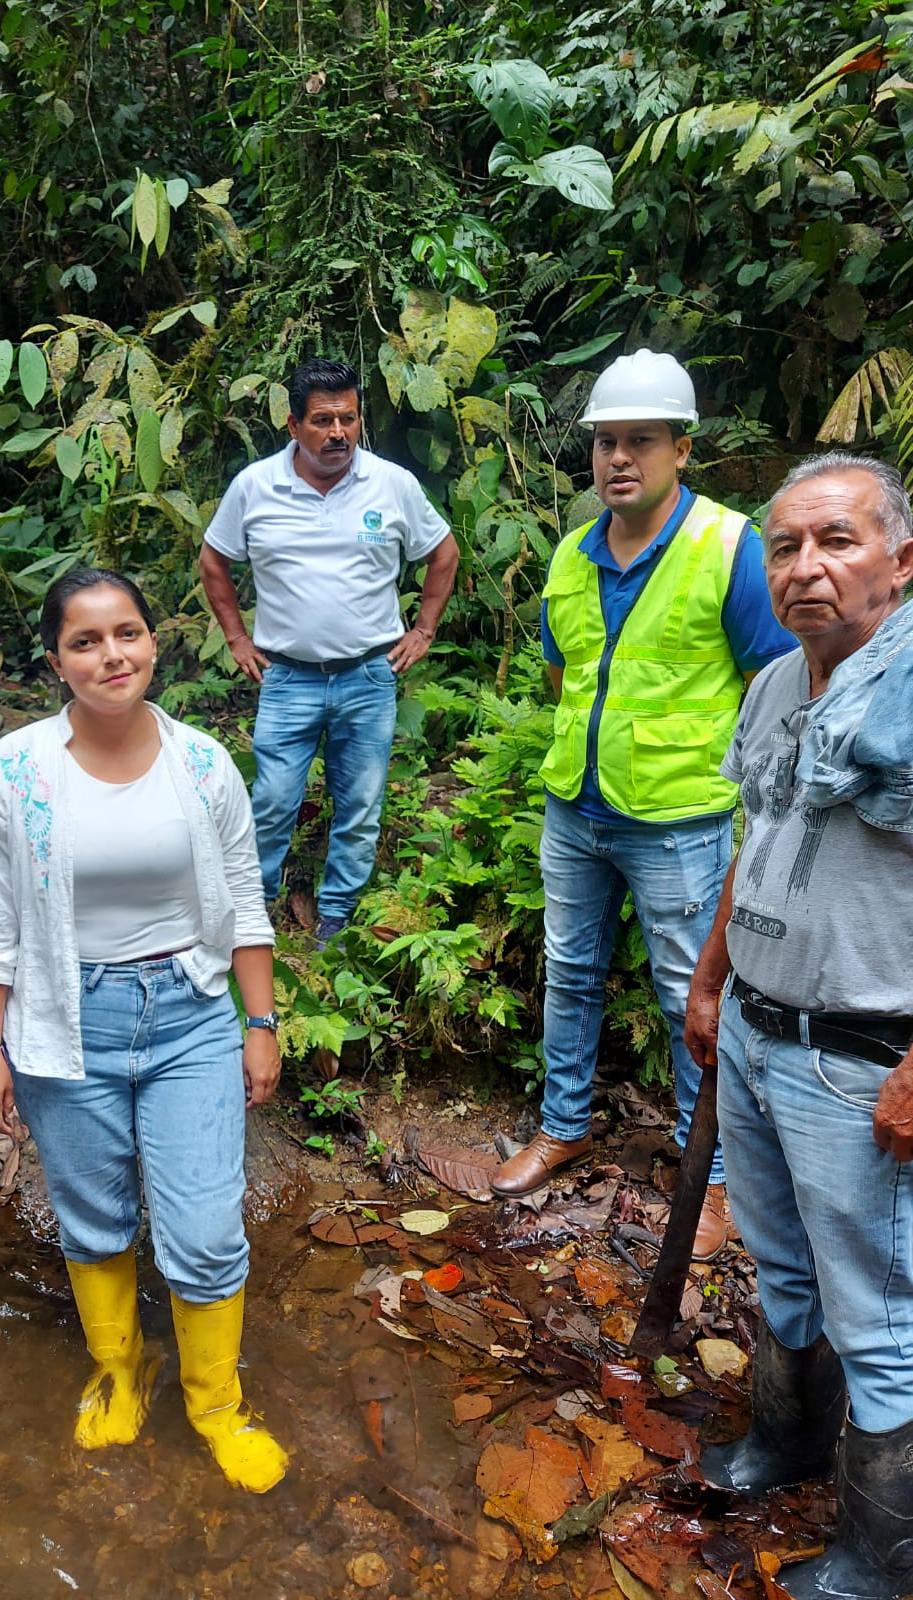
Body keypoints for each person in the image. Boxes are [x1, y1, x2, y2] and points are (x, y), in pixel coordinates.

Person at [0, 567, 288, 1494]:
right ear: (55, 659)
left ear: (152, 641)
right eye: (86, 641)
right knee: (94, 1218)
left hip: (189, 1014)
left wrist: (259, 1021)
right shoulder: (18, 767)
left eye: (127, 633)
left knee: (206, 1230)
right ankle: (121, 1368)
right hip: (65, 1021)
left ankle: (216, 1402)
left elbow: (244, 900)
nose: (112, 655)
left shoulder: (202, 763)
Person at [491, 350, 795, 1264]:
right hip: (575, 807)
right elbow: (563, 675)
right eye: (606, 442)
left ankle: (714, 1179)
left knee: (688, 997)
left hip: (679, 820)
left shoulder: (729, 547)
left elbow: (776, 685)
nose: (619, 458)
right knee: (570, 972)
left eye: (642, 440)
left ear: (681, 449)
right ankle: (563, 1126)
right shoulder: (573, 553)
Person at [686, 454, 913, 1599]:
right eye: (785, 546)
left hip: (860, 1057)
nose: (805, 567)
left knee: (880, 1313)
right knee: (781, 1265)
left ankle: (882, 1554)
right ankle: (785, 1442)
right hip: (758, 1029)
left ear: (901, 561)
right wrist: (711, 977)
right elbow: (759, 834)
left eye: (837, 541)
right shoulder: (778, 681)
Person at [199, 358, 459, 947]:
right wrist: (237, 638)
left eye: (348, 418)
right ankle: (254, 908)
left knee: (360, 803)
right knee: (271, 799)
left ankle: (336, 916)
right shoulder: (256, 487)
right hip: (287, 677)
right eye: (322, 421)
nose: (337, 432)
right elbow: (214, 559)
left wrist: (423, 630)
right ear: (294, 425)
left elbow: (443, 552)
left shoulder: (391, 484)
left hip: (369, 674)